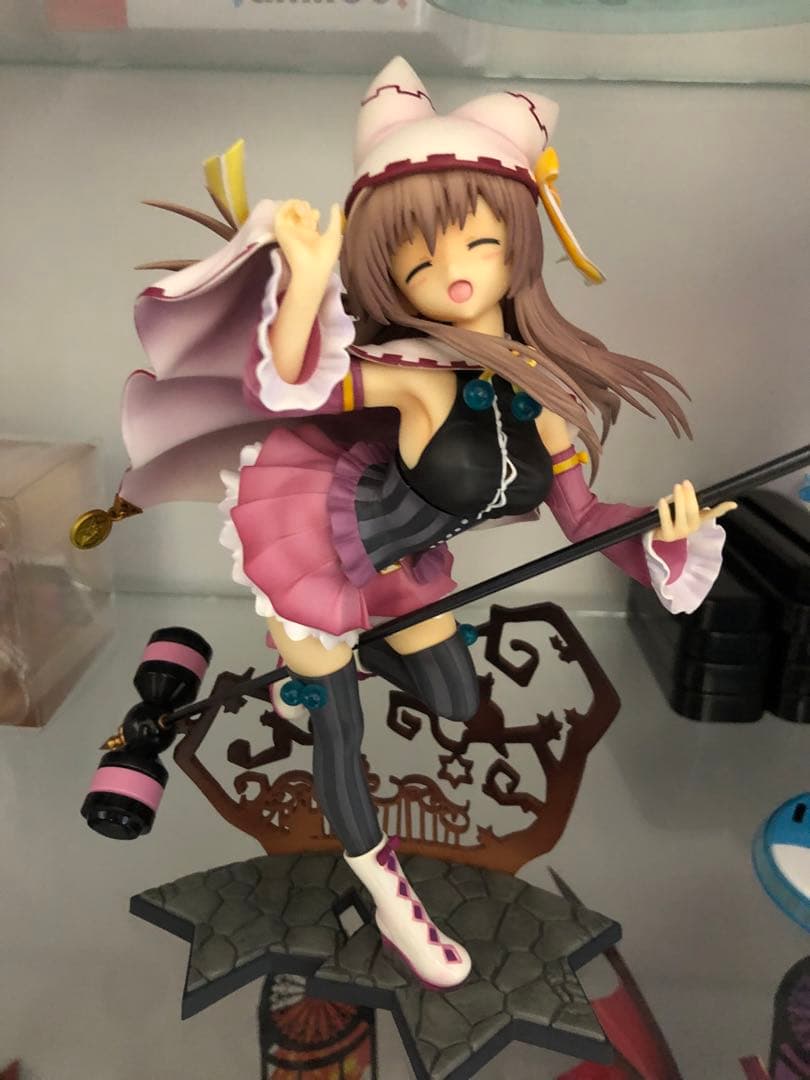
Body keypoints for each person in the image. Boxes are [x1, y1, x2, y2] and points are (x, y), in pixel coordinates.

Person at [113, 58, 734, 990]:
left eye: (479, 244)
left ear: (518, 246)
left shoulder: (541, 395)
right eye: (418, 258)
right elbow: (298, 387)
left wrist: (662, 536)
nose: (453, 272)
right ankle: (386, 890)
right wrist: (306, 284)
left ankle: (326, 666)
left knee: (455, 700)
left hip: (407, 567)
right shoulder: (414, 376)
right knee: (342, 728)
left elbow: (583, 518)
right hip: (320, 545)